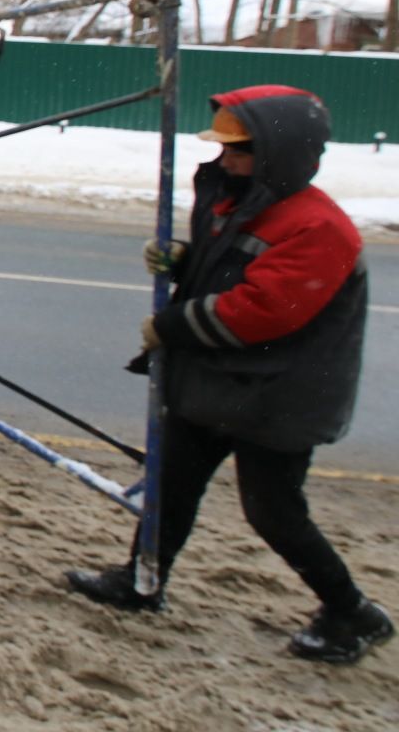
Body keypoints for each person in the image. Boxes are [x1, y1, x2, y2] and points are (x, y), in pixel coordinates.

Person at [65, 85, 391, 665]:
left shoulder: (319, 228)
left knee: (273, 511)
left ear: (278, 152)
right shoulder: (243, 200)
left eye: (237, 150)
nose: (223, 160)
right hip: (221, 384)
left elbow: (262, 309)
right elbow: (232, 270)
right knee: (173, 487)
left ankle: (352, 611)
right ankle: (144, 579)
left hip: (277, 396)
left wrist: (174, 324)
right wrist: (186, 261)